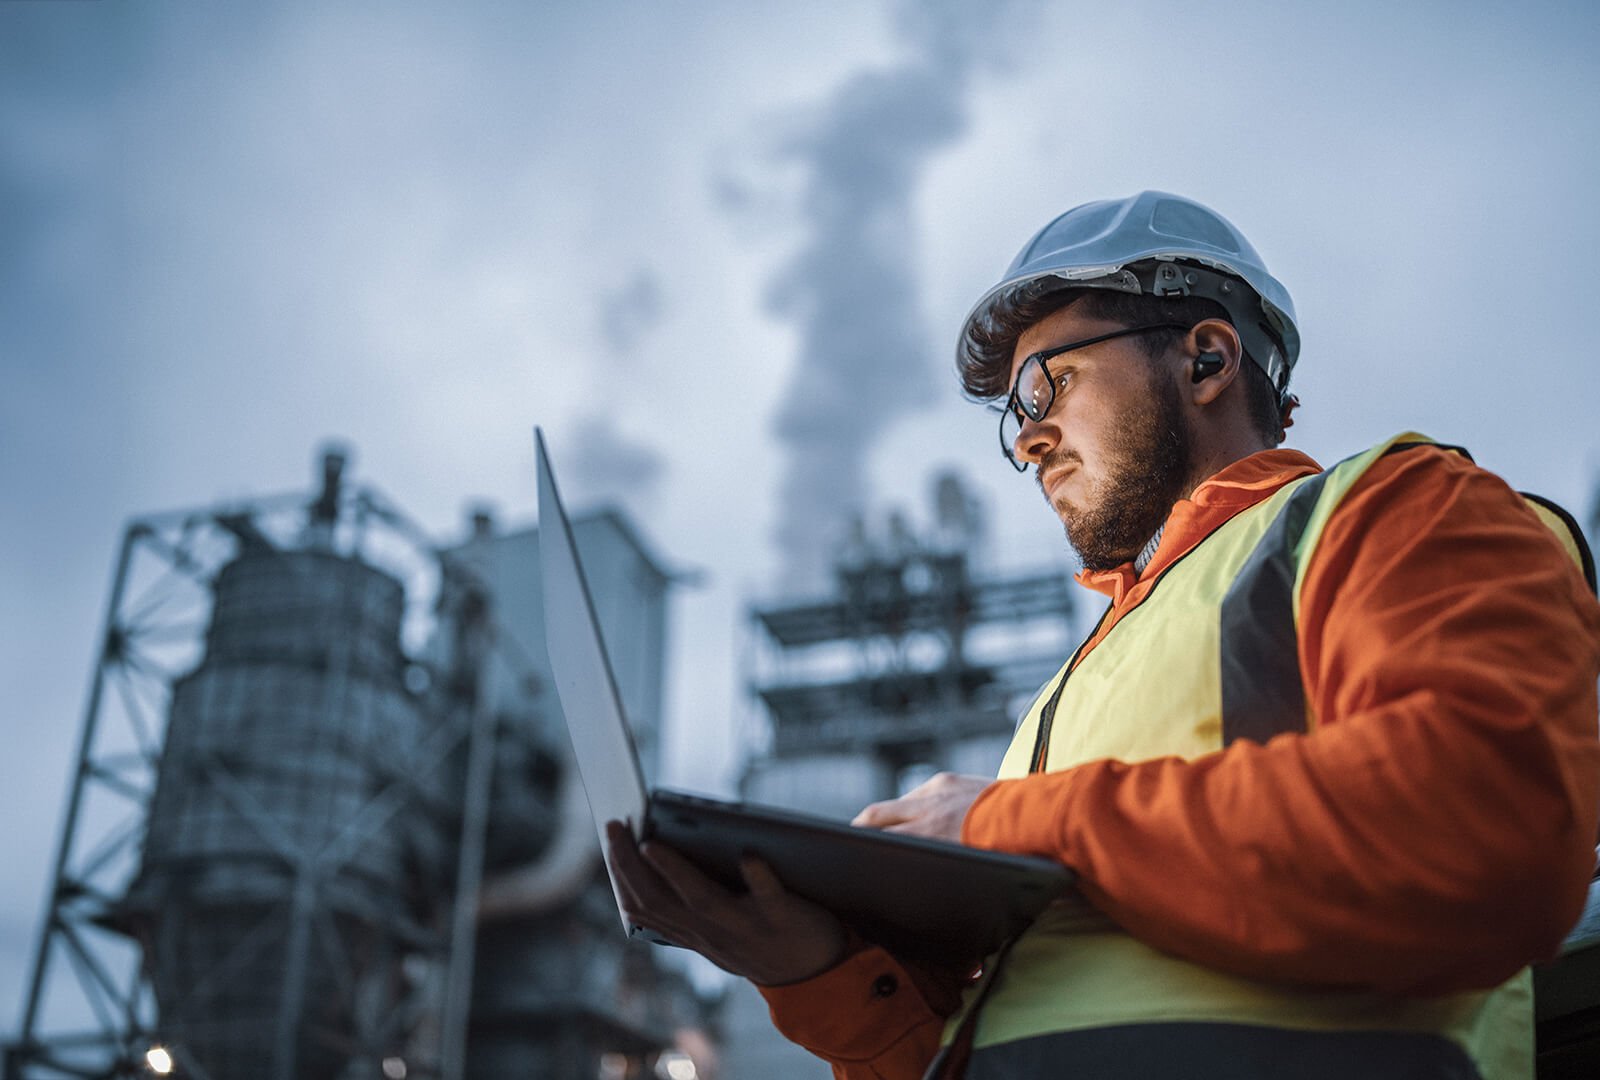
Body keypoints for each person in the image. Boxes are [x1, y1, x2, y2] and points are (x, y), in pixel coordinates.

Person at [606, 191, 1600, 1079]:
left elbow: (1487, 827)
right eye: (1013, 418)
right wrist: (817, 972)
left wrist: (1002, 822)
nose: (1028, 437)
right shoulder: (1065, 696)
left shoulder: (1395, 511)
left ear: (1205, 358)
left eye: (1049, 385)